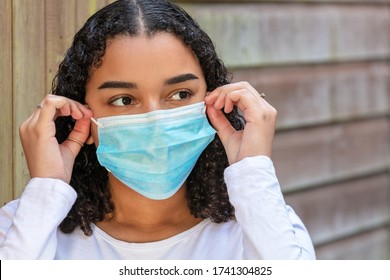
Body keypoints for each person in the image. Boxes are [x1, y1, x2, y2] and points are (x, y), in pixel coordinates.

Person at [0, 0, 315, 259]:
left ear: (213, 100)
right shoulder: (24, 228)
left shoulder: (266, 226)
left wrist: (253, 171)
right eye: (124, 99)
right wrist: (46, 190)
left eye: (180, 95)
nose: (154, 120)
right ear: (81, 114)